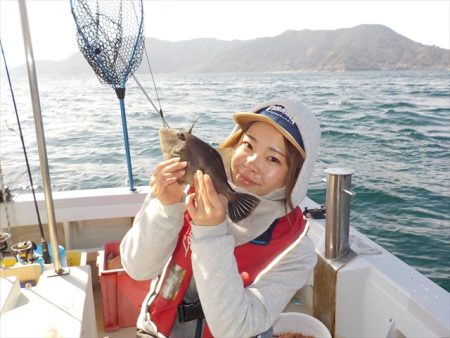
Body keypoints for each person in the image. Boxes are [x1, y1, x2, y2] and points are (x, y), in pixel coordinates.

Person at [120, 99, 321, 338]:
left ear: (295, 176)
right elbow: (137, 268)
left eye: (273, 159)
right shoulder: (183, 188)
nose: (251, 164)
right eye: (248, 145)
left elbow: (235, 329)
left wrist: (210, 232)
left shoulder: (296, 250)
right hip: (157, 331)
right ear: (234, 144)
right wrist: (165, 209)